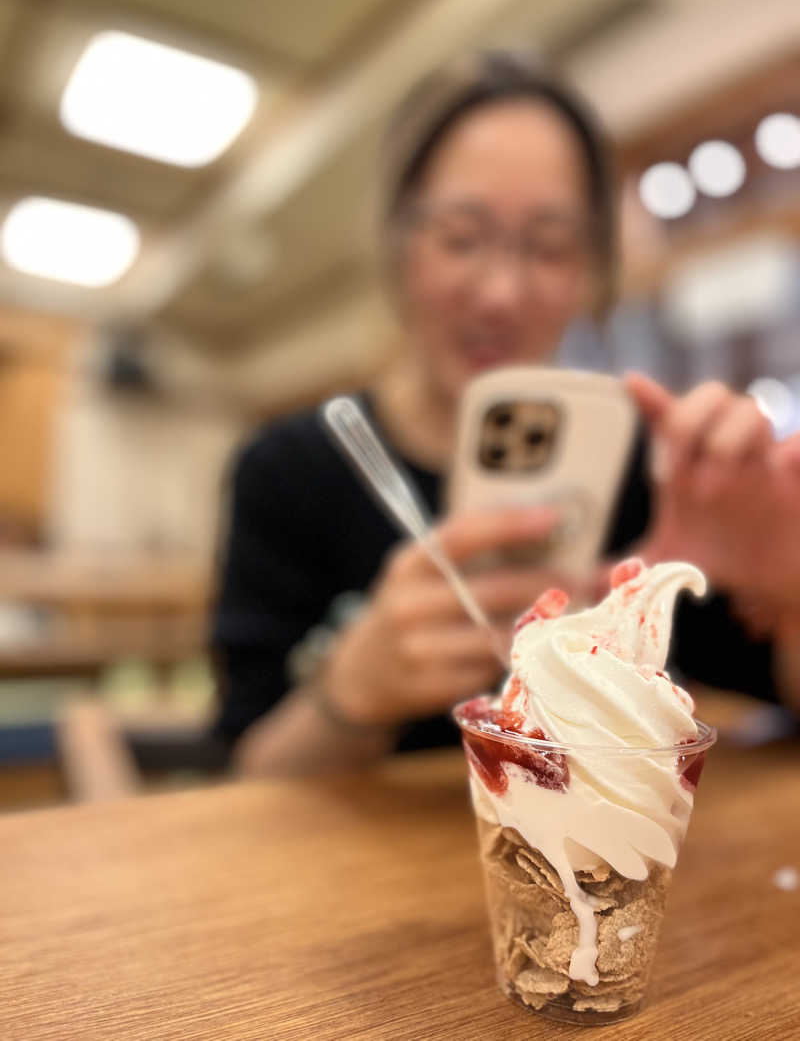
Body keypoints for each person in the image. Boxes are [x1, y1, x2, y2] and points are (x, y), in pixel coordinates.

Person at [211, 49, 798, 778]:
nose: (502, 293)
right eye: (461, 237)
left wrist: (788, 590)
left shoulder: (637, 469)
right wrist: (348, 691)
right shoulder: (289, 470)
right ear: (399, 245)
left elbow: (779, 688)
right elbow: (246, 771)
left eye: (550, 247)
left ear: (590, 269)